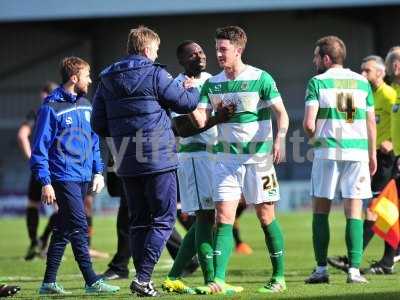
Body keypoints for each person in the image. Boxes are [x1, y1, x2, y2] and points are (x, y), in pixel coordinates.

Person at [91, 26, 199, 297]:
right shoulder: (155, 73)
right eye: (157, 51)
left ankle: (141, 279)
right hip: (157, 157)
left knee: (138, 220)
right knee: (164, 218)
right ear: (148, 49)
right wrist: (193, 89)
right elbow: (184, 104)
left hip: (125, 160)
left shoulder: (107, 77)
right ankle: (143, 277)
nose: (156, 54)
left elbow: (97, 123)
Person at [191, 26, 289, 294]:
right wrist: (211, 116)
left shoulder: (260, 78)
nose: (219, 54)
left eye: (224, 49)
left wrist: (279, 138)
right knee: (222, 217)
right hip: (225, 161)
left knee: (266, 215)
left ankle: (279, 277)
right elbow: (200, 119)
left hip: (259, 161)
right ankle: (218, 280)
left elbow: (282, 114)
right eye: (217, 49)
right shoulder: (212, 84)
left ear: (238, 49)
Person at [30, 57, 120, 295]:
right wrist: (45, 182)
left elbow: (92, 142)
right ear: (74, 78)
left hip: (82, 177)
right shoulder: (50, 107)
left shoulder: (87, 104)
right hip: (62, 176)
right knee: (79, 224)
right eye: (87, 75)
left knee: (64, 229)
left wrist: (98, 170)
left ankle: (48, 283)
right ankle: (92, 280)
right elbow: (39, 148)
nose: (90, 80)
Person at [161, 40, 234, 294]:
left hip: (215, 157)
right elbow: (182, 128)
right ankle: (211, 280)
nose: (199, 55)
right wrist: (217, 118)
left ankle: (173, 275)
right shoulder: (177, 87)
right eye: (192, 54)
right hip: (195, 157)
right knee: (204, 217)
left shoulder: (213, 80)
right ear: (182, 60)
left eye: (201, 51)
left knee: (208, 219)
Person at [303, 36, 377, 285]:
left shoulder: (317, 82)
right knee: (354, 212)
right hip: (357, 154)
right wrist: (372, 154)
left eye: (316, 56)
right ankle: (354, 271)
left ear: (325, 58)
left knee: (320, 211)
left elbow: (308, 124)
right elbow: (369, 122)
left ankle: (321, 270)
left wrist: (314, 135)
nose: (314, 61)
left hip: (327, 153)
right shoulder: (362, 82)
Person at [328, 55, 397, 275]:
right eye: (361, 70)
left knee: (376, 209)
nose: (363, 74)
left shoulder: (389, 95)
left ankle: (354, 259)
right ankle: (386, 260)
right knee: (384, 209)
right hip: (371, 156)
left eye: (367, 71)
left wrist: (393, 142)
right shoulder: (365, 93)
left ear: (380, 72)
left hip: (387, 158)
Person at [102, 157, 198, 281]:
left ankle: (125, 269)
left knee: (145, 217)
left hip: (145, 162)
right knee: (138, 216)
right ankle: (122, 267)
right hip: (132, 161)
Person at [17, 82, 58, 260]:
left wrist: (32, 158)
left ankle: (35, 242)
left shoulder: (37, 111)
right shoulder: (55, 110)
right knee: (63, 207)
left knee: (33, 204)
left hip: (40, 165)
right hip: (56, 166)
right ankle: (42, 240)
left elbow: (22, 135)